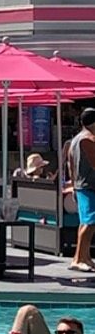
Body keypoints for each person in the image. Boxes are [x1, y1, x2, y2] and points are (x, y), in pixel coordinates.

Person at [65, 106, 95, 272]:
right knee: (90, 223)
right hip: (89, 185)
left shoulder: (75, 139)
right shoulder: (88, 139)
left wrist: (73, 184)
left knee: (87, 222)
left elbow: (70, 163)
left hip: (80, 185)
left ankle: (84, 257)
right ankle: (78, 259)